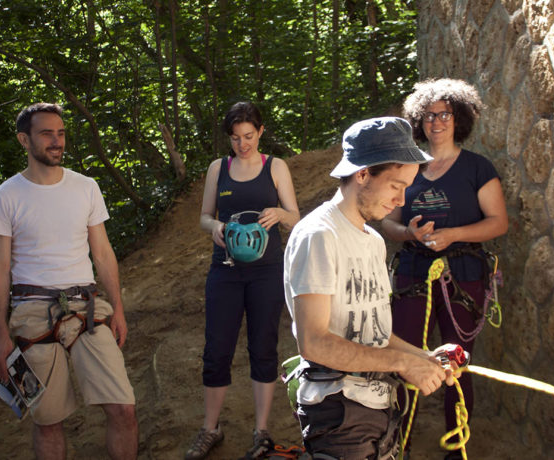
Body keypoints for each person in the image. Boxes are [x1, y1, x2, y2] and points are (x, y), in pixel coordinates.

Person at [284, 116, 460, 460]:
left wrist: (423, 358)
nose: (401, 199)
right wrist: (403, 365)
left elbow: (374, 333)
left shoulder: (375, 242)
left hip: (379, 407)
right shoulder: (319, 236)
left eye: (406, 187)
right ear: (362, 174)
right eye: (396, 185)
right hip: (337, 413)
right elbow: (314, 343)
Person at [0, 103, 138, 460]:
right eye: (46, 134)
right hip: (31, 311)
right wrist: (1, 333)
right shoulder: (3, 197)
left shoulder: (85, 187)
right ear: (25, 140)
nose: (57, 141)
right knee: (48, 420)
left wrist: (117, 309)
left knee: (124, 408)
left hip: (86, 308)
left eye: (61, 133)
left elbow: (102, 253)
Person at [381, 79, 508, 460]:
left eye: (445, 114)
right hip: (413, 275)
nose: (437, 121)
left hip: (463, 275)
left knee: (454, 363)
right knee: (405, 359)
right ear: (420, 120)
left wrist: (454, 234)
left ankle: (458, 447)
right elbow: (388, 222)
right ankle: (397, 442)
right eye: (430, 115)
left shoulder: (477, 168)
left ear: (459, 118)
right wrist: (409, 233)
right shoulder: (407, 166)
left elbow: (498, 222)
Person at [185, 101, 300, 460]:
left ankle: (261, 431)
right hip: (225, 270)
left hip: (267, 271)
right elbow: (204, 216)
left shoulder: (275, 167)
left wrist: (281, 213)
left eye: (248, 136)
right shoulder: (218, 169)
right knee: (216, 349)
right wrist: (216, 226)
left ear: (261, 132)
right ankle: (210, 428)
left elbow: (296, 218)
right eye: (235, 138)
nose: (242, 144)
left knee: (263, 347)